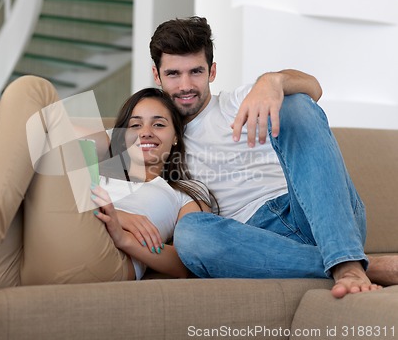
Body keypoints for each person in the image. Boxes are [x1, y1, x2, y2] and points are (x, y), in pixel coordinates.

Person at [0, 77, 211, 312]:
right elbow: (33, 127)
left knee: (33, 88)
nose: (145, 132)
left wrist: (124, 236)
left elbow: (188, 264)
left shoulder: (184, 194)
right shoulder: (100, 159)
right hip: (13, 263)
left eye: (159, 124)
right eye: (134, 125)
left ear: (175, 139)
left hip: (98, 262)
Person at [148, 16, 398, 298]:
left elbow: (314, 88)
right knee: (190, 233)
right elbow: (89, 145)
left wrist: (272, 81)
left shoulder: (236, 102)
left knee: (294, 101)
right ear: (156, 75)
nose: (185, 86)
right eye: (173, 74)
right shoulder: (149, 133)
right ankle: (357, 264)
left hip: (316, 212)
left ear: (212, 71)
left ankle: (345, 258)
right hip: (256, 241)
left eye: (195, 72)